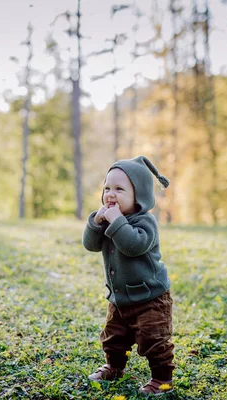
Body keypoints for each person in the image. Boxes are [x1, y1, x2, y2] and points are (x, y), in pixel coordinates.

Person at [82, 155, 175, 396]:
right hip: (120, 298)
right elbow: (90, 245)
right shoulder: (109, 220)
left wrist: (117, 221)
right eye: (107, 188)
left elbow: (133, 245)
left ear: (139, 195)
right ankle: (114, 366)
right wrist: (96, 221)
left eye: (119, 189)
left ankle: (161, 379)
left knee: (153, 341)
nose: (110, 194)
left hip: (150, 298)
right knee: (114, 338)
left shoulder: (146, 222)